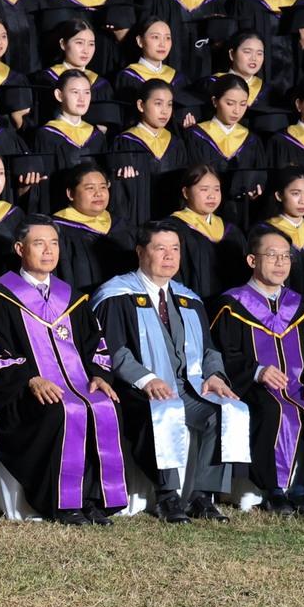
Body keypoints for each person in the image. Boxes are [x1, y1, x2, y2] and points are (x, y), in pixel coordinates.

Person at [0, 215, 128, 525]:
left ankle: (92, 500)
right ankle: (64, 503)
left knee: (105, 406)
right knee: (59, 412)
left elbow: (96, 342)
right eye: (39, 244)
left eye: (54, 243)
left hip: (77, 386)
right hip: (19, 390)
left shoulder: (72, 298)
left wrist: (100, 375)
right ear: (19, 249)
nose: (48, 251)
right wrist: (29, 379)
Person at [93, 222, 244, 523]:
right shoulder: (116, 294)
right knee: (163, 411)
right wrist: (147, 379)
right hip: (136, 387)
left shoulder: (189, 299)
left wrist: (215, 375)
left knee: (228, 410)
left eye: (175, 249)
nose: (169, 256)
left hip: (190, 386)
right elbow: (113, 349)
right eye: (160, 248)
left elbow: (209, 349)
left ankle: (202, 496)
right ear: (140, 252)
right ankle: (167, 497)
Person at [211, 225, 304, 513]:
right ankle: (273, 489)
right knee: (274, 410)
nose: (280, 262)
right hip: (253, 386)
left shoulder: (303, 307)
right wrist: (257, 371)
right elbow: (222, 353)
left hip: (300, 385)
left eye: (286, 256)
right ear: (252, 260)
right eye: (272, 255)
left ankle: (302, 488)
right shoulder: (231, 305)